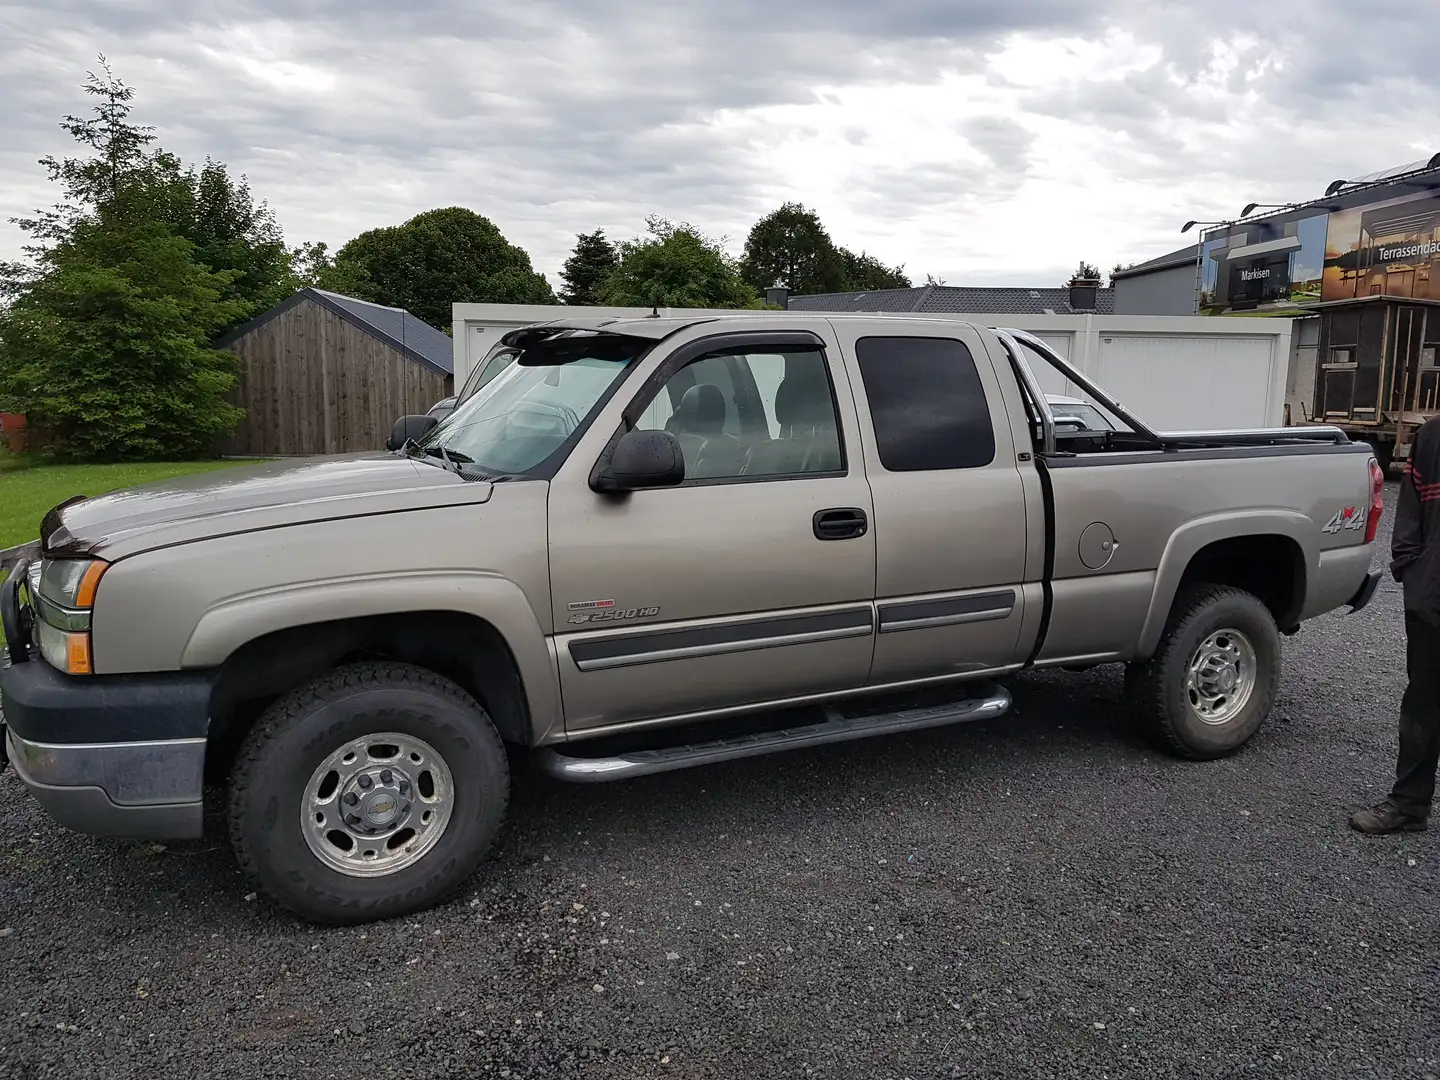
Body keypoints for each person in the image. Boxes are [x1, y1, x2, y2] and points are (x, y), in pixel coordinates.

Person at [1352, 420, 1440, 835]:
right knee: (1423, 704)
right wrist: (1412, 567)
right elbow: (1410, 510)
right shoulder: (1433, 436)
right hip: (1432, 600)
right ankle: (1410, 804)